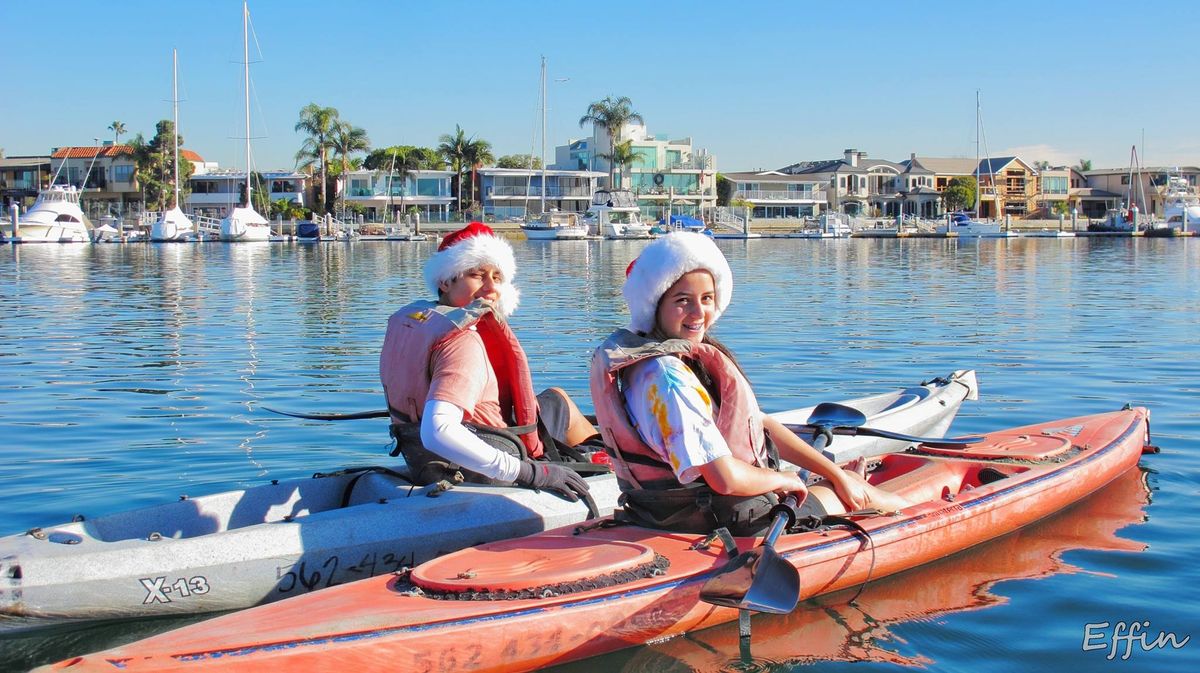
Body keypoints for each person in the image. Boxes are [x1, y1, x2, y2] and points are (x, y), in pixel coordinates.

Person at [590, 232, 912, 536]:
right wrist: (785, 480)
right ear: (654, 305)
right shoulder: (669, 379)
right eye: (682, 300)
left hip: (661, 511)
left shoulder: (649, 363)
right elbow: (725, 479)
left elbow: (761, 425)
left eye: (706, 298)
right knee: (864, 496)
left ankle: (846, 482)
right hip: (723, 518)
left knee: (836, 484)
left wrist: (834, 473)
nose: (698, 311)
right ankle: (914, 511)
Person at [380, 222, 597, 503]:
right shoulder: (461, 340)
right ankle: (610, 468)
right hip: (484, 466)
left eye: (497, 276)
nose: (491, 287)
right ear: (445, 281)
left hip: (423, 459)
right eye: (477, 274)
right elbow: (437, 432)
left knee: (555, 399)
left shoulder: (412, 322)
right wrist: (532, 473)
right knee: (562, 403)